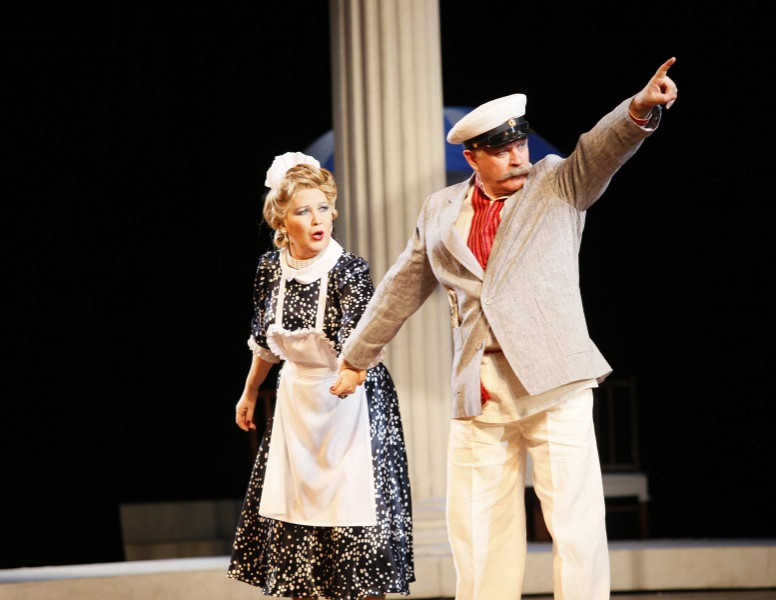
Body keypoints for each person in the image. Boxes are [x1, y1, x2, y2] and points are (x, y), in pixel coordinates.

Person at [332, 58, 679, 599]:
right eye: (502, 150)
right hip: (481, 388)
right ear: (472, 156)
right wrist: (357, 356)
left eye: (520, 144)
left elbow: (601, 149)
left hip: (554, 380)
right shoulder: (440, 209)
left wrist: (638, 110)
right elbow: (402, 285)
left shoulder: (557, 182)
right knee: (478, 531)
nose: (519, 156)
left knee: (576, 525)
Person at [227, 152, 414, 600]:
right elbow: (265, 342)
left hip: (351, 402)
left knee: (356, 521)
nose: (317, 220)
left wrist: (354, 371)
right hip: (298, 404)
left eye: (323, 208)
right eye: (303, 211)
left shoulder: (349, 270)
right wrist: (249, 392)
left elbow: (361, 338)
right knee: (297, 522)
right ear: (281, 221)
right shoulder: (269, 269)